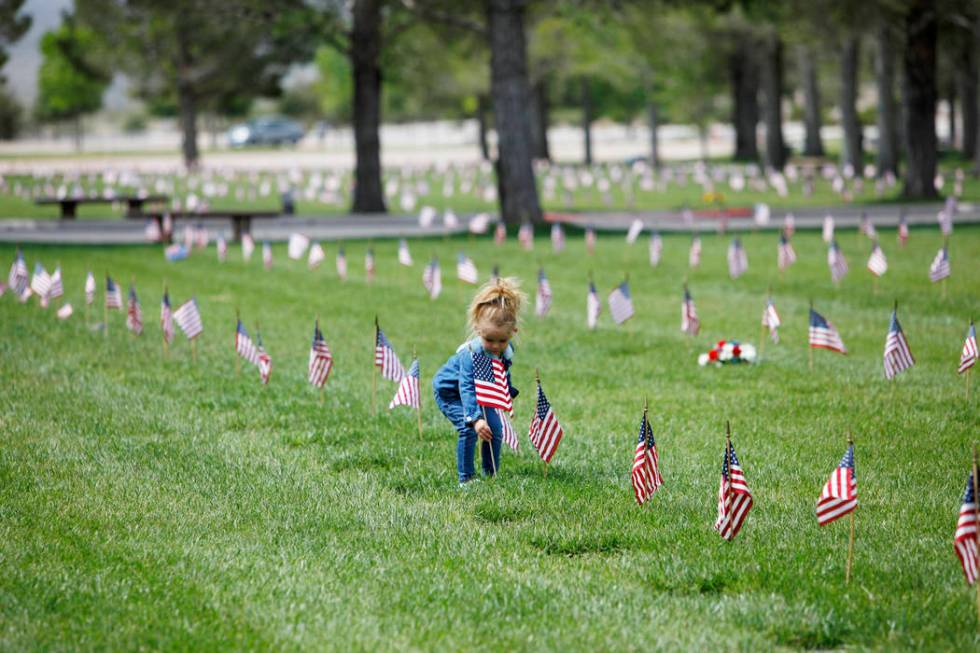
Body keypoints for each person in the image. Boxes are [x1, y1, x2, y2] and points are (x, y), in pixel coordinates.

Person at [433, 277, 525, 486]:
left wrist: (507, 394)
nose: (495, 346)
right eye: (489, 339)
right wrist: (475, 419)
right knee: (469, 429)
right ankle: (466, 478)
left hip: (481, 392)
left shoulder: (505, 352)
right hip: (452, 393)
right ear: (477, 329)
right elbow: (466, 387)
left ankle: (490, 474)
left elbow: (501, 373)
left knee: (495, 429)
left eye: (502, 340)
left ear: (513, 332)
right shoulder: (470, 354)